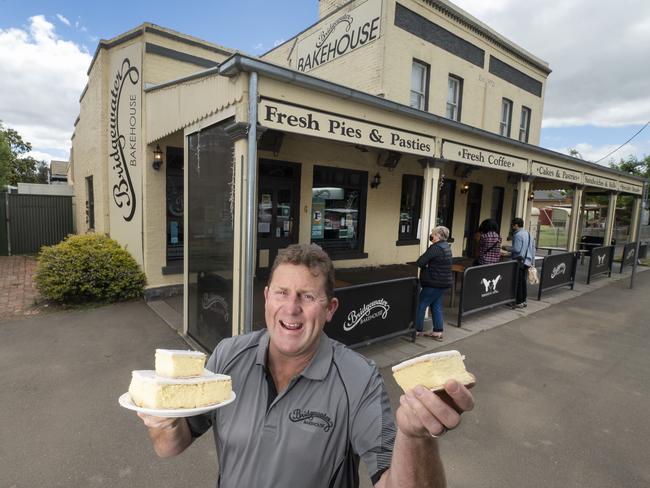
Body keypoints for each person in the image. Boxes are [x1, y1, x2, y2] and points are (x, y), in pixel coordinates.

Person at [136, 243, 474, 488]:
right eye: (282, 293)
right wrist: (162, 421)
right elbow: (170, 446)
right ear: (266, 297)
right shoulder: (228, 356)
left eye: (307, 296)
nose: (291, 308)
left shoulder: (359, 380)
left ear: (330, 309)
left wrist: (415, 438)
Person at [415, 226, 453, 341]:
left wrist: (427, 264)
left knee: (421, 305)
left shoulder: (435, 248)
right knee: (436, 305)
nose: (431, 235)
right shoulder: (446, 246)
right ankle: (437, 331)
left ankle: (417, 330)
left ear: (438, 236)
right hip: (442, 282)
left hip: (433, 282)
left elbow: (420, 262)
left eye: (433, 233)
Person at [509, 217, 535, 308]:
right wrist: (532, 261)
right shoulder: (528, 234)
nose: (512, 226)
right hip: (527, 261)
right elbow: (533, 248)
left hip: (519, 261)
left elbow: (516, 249)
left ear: (516, 225)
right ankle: (523, 301)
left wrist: (507, 248)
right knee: (523, 282)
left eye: (512, 225)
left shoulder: (518, 235)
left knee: (518, 282)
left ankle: (518, 301)